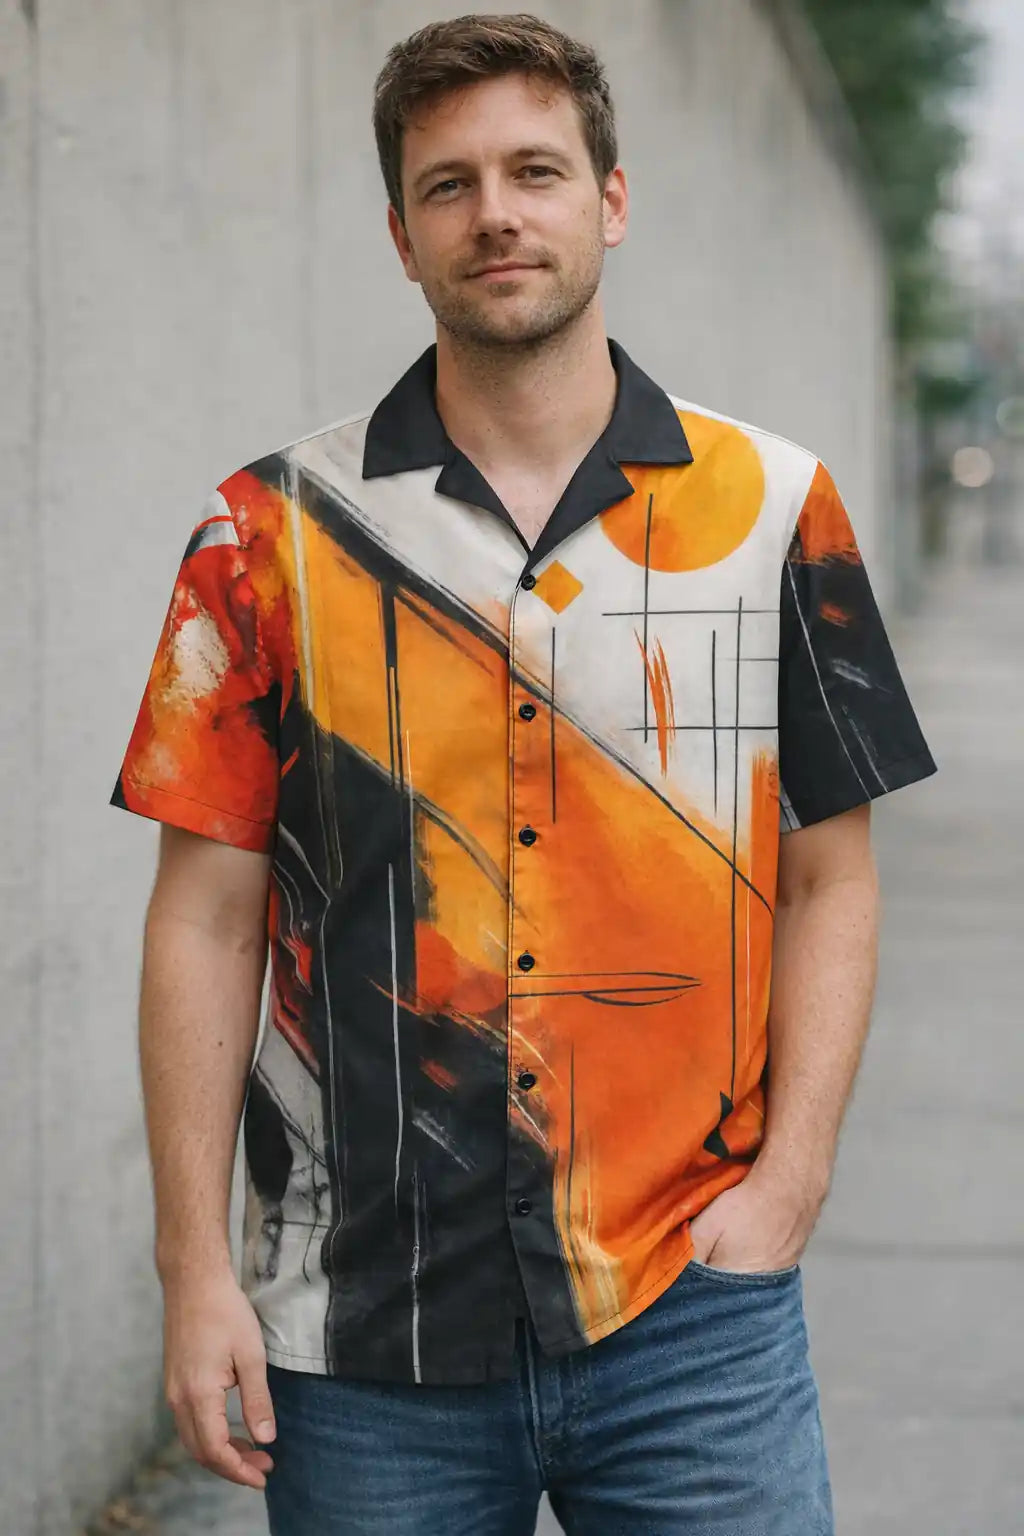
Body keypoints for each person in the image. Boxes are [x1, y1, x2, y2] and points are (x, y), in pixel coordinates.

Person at [111, 13, 937, 1534]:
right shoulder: (266, 536)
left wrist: (792, 1186)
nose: (497, 212)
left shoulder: (775, 509)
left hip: (693, 1310)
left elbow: (833, 877)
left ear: (609, 202)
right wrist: (195, 1269)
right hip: (363, 1332)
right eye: (450, 184)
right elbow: (206, 922)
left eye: (536, 172)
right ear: (401, 235)